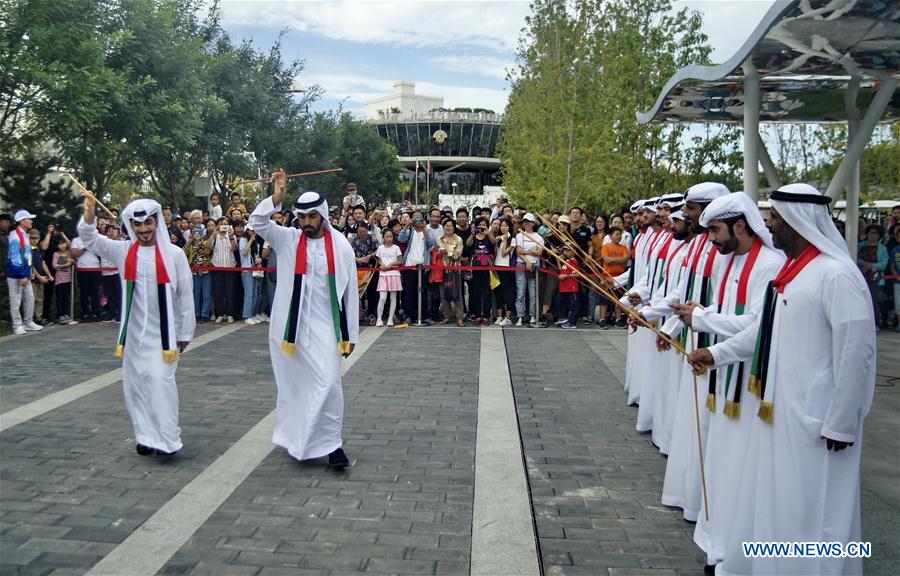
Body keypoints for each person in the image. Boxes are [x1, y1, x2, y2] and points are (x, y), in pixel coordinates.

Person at [690, 183, 876, 576]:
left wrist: (841, 423)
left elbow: (856, 352)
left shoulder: (836, 275)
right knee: (780, 502)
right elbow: (763, 334)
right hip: (779, 412)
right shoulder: (793, 275)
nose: (769, 227)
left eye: (774, 219)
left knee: (817, 511)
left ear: (796, 221)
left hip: (818, 421)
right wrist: (716, 354)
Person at [671, 192, 785, 572]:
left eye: (716, 230)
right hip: (723, 383)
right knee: (719, 464)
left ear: (740, 226)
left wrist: (703, 324)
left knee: (739, 470)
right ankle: (717, 543)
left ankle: (733, 550)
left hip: (747, 386)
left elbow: (757, 326)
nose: (711, 239)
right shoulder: (730, 262)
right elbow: (727, 314)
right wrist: (700, 314)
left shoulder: (769, 265)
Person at [248, 170, 359, 469]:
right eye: (302, 217)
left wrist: (351, 336)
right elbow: (257, 223)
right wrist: (277, 196)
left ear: (322, 215)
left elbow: (350, 294)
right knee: (295, 388)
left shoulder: (341, 246)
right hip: (289, 330)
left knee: (329, 384)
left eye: (312, 217)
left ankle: (332, 445)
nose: (307, 223)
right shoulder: (286, 238)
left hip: (326, 327)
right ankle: (299, 440)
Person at [78, 193, 196, 456]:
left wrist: (186, 332)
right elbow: (90, 239)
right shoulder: (123, 251)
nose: (143, 230)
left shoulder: (174, 254)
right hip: (133, 336)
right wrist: (88, 215)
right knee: (136, 386)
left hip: (165, 336)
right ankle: (145, 436)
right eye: (137, 225)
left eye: (148, 224)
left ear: (157, 223)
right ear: (131, 226)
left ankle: (167, 440)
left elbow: (185, 295)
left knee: (161, 384)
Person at [6, 210, 44, 334]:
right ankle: (17, 324)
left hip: (25, 273)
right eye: (29, 219)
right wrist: (22, 274)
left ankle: (28, 322)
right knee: (16, 299)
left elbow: (27, 256)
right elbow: (15, 257)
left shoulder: (24, 235)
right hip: (16, 274)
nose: (31, 221)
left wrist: (29, 271)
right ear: (22, 221)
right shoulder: (15, 236)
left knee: (29, 298)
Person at [398, 215, 435, 325]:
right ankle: (408, 315)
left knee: (423, 292)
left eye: (420, 219)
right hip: (410, 265)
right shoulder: (410, 231)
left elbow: (431, 243)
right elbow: (401, 239)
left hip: (423, 267)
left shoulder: (427, 230)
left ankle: (424, 315)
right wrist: (407, 225)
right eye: (415, 219)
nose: (418, 221)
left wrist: (423, 228)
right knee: (409, 292)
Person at [857, 224, 888, 328]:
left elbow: (883, 264)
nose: (872, 235)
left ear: (879, 235)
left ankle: (875, 323)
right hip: (860, 275)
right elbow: (852, 257)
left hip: (875, 277)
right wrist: (862, 263)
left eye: (875, 233)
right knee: (860, 300)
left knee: (874, 300)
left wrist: (871, 266)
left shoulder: (882, 249)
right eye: (871, 232)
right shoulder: (859, 245)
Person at [515, 213, 544, 326]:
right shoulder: (519, 235)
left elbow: (539, 253)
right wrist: (527, 260)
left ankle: (532, 315)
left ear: (533, 223)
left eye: (528, 221)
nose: (526, 224)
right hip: (521, 264)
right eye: (524, 221)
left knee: (532, 293)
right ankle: (520, 316)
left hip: (534, 266)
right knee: (520, 292)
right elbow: (518, 251)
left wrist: (526, 252)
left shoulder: (538, 237)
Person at [598, 228, 629, 328]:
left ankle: (618, 319)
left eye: (620, 235)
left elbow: (625, 260)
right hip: (606, 277)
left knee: (618, 299)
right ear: (610, 236)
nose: (619, 237)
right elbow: (606, 260)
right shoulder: (606, 247)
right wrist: (619, 260)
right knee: (604, 298)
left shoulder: (624, 248)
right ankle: (602, 319)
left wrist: (613, 260)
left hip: (620, 277)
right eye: (616, 234)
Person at [437, 219, 466, 327]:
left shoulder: (458, 239)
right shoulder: (439, 239)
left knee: (457, 294)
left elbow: (458, 254)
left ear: (454, 227)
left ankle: (460, 317)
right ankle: (447, 316)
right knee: (443, 294)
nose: (448, 228)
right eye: (446, 226)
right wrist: (440, 254)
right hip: (442, 269)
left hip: (455, 270)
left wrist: (447, 253)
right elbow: (437, 254)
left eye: (450, 226)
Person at [466, 218, 494, 325]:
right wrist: (473, 234)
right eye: (480, 225)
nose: (482, 227)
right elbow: (468, 244)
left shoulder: (488, 236)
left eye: (484, 225)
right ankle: (478, 315)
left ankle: (486, 316)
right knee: (476, 291)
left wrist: (488, 233)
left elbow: (493, 242)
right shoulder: (474, 235)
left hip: (487, 266)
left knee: (487, 291)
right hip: (476, 266)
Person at [70, 229, 103, 322]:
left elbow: (101, 252)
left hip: (96, 268)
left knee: (95, 292)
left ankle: (96, 313)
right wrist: (85, 248)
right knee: (84, 293)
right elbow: (73, 253)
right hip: (82, 269)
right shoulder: (76, 240)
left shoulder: (95, 239)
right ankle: (85, 313)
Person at [210, 218, 238, 323]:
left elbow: (234, 248)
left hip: (230, 266)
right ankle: (220, 314)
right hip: (217, 267)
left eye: (226, 225)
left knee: (230, 291)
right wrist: (213, 234)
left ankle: (230, 314)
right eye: (222, 224)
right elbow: (208, 247)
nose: (224, 227)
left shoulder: (231, 236)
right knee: (218, 292)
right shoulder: (215, 237)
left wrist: (231, 236)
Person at [185, 226, 213, 322]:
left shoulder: (205, 243)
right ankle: (196, 313)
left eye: (198, 233)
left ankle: (204, 314)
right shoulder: (190, 245)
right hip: (194, 271)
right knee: (195, 294)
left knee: (206, 294)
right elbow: (183, 252)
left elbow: (207, 250)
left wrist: (200, 243)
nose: (196, 235)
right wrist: (189, 242)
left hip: (206, 271)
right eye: (194, 233)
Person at [375, 229, 402, 326]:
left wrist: (391, 264)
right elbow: (378, 259)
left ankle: (390, 319)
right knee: (382, 298)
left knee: (393, 297)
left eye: (391, 236)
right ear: (383, 237)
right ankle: (379, 319)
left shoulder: (396, 248)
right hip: (383, 274)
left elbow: (400, 261)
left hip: (394, 274)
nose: (389, 238)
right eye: (387, 237)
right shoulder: (380, 248)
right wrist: (382, 264)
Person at [493, 218, 516, 326]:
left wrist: (505, 240)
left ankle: (508, 317)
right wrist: (496, 241)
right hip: (497, 267)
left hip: (507, 268)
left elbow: (504, 254)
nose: (503, 227)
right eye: (502, 226)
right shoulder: (498, 238)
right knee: (498, 292)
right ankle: (499, 316)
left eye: (506, 226)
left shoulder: (512, 239)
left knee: (508, 293)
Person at [28, 228, 53, 325]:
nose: (34, 240)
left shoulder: (38, 249)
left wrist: (49, 275)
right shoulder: (28, 249)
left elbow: (43, 263)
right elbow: (31, 265)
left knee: (40, 299)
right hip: (33, 278)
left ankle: (39, 318)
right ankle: (31, 319)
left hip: (41, 278)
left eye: (36, 238)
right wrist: (39, 276)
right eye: (32, 238)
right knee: (32, 299)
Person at [554, 244, 580, 329]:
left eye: (567, 250)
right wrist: (558, 261)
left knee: (574, 304)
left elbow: (577, 274)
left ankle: (572, 322)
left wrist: (565, 276)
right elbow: (562, 271)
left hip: (571, 286)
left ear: (572, 252)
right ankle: (562, 317)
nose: (565, 252)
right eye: (564, 250)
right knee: (558, 301)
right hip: (564, 287)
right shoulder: (567, 261)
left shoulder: (573, 261)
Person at [100, 225, 122, 321]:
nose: (111, 232)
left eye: (113, 230)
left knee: (119, 294)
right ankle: (111, 313)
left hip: (117, 272)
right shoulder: (103, 243)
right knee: (109, 294)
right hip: (106, 272)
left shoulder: (120, 243)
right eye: (108, 231)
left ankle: (120, 314)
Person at [52, 236, 75, 323]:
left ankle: (66, 313)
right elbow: (54, 266)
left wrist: (71, 261)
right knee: (60, 298)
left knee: (66, 297)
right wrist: (66, 264)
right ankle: (60, 315)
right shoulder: (56, 254)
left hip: (69, 279)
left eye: (63, 243)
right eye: (60, 244)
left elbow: (74, 262)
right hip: (60, 280)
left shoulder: (69, 253)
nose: (62, 246)